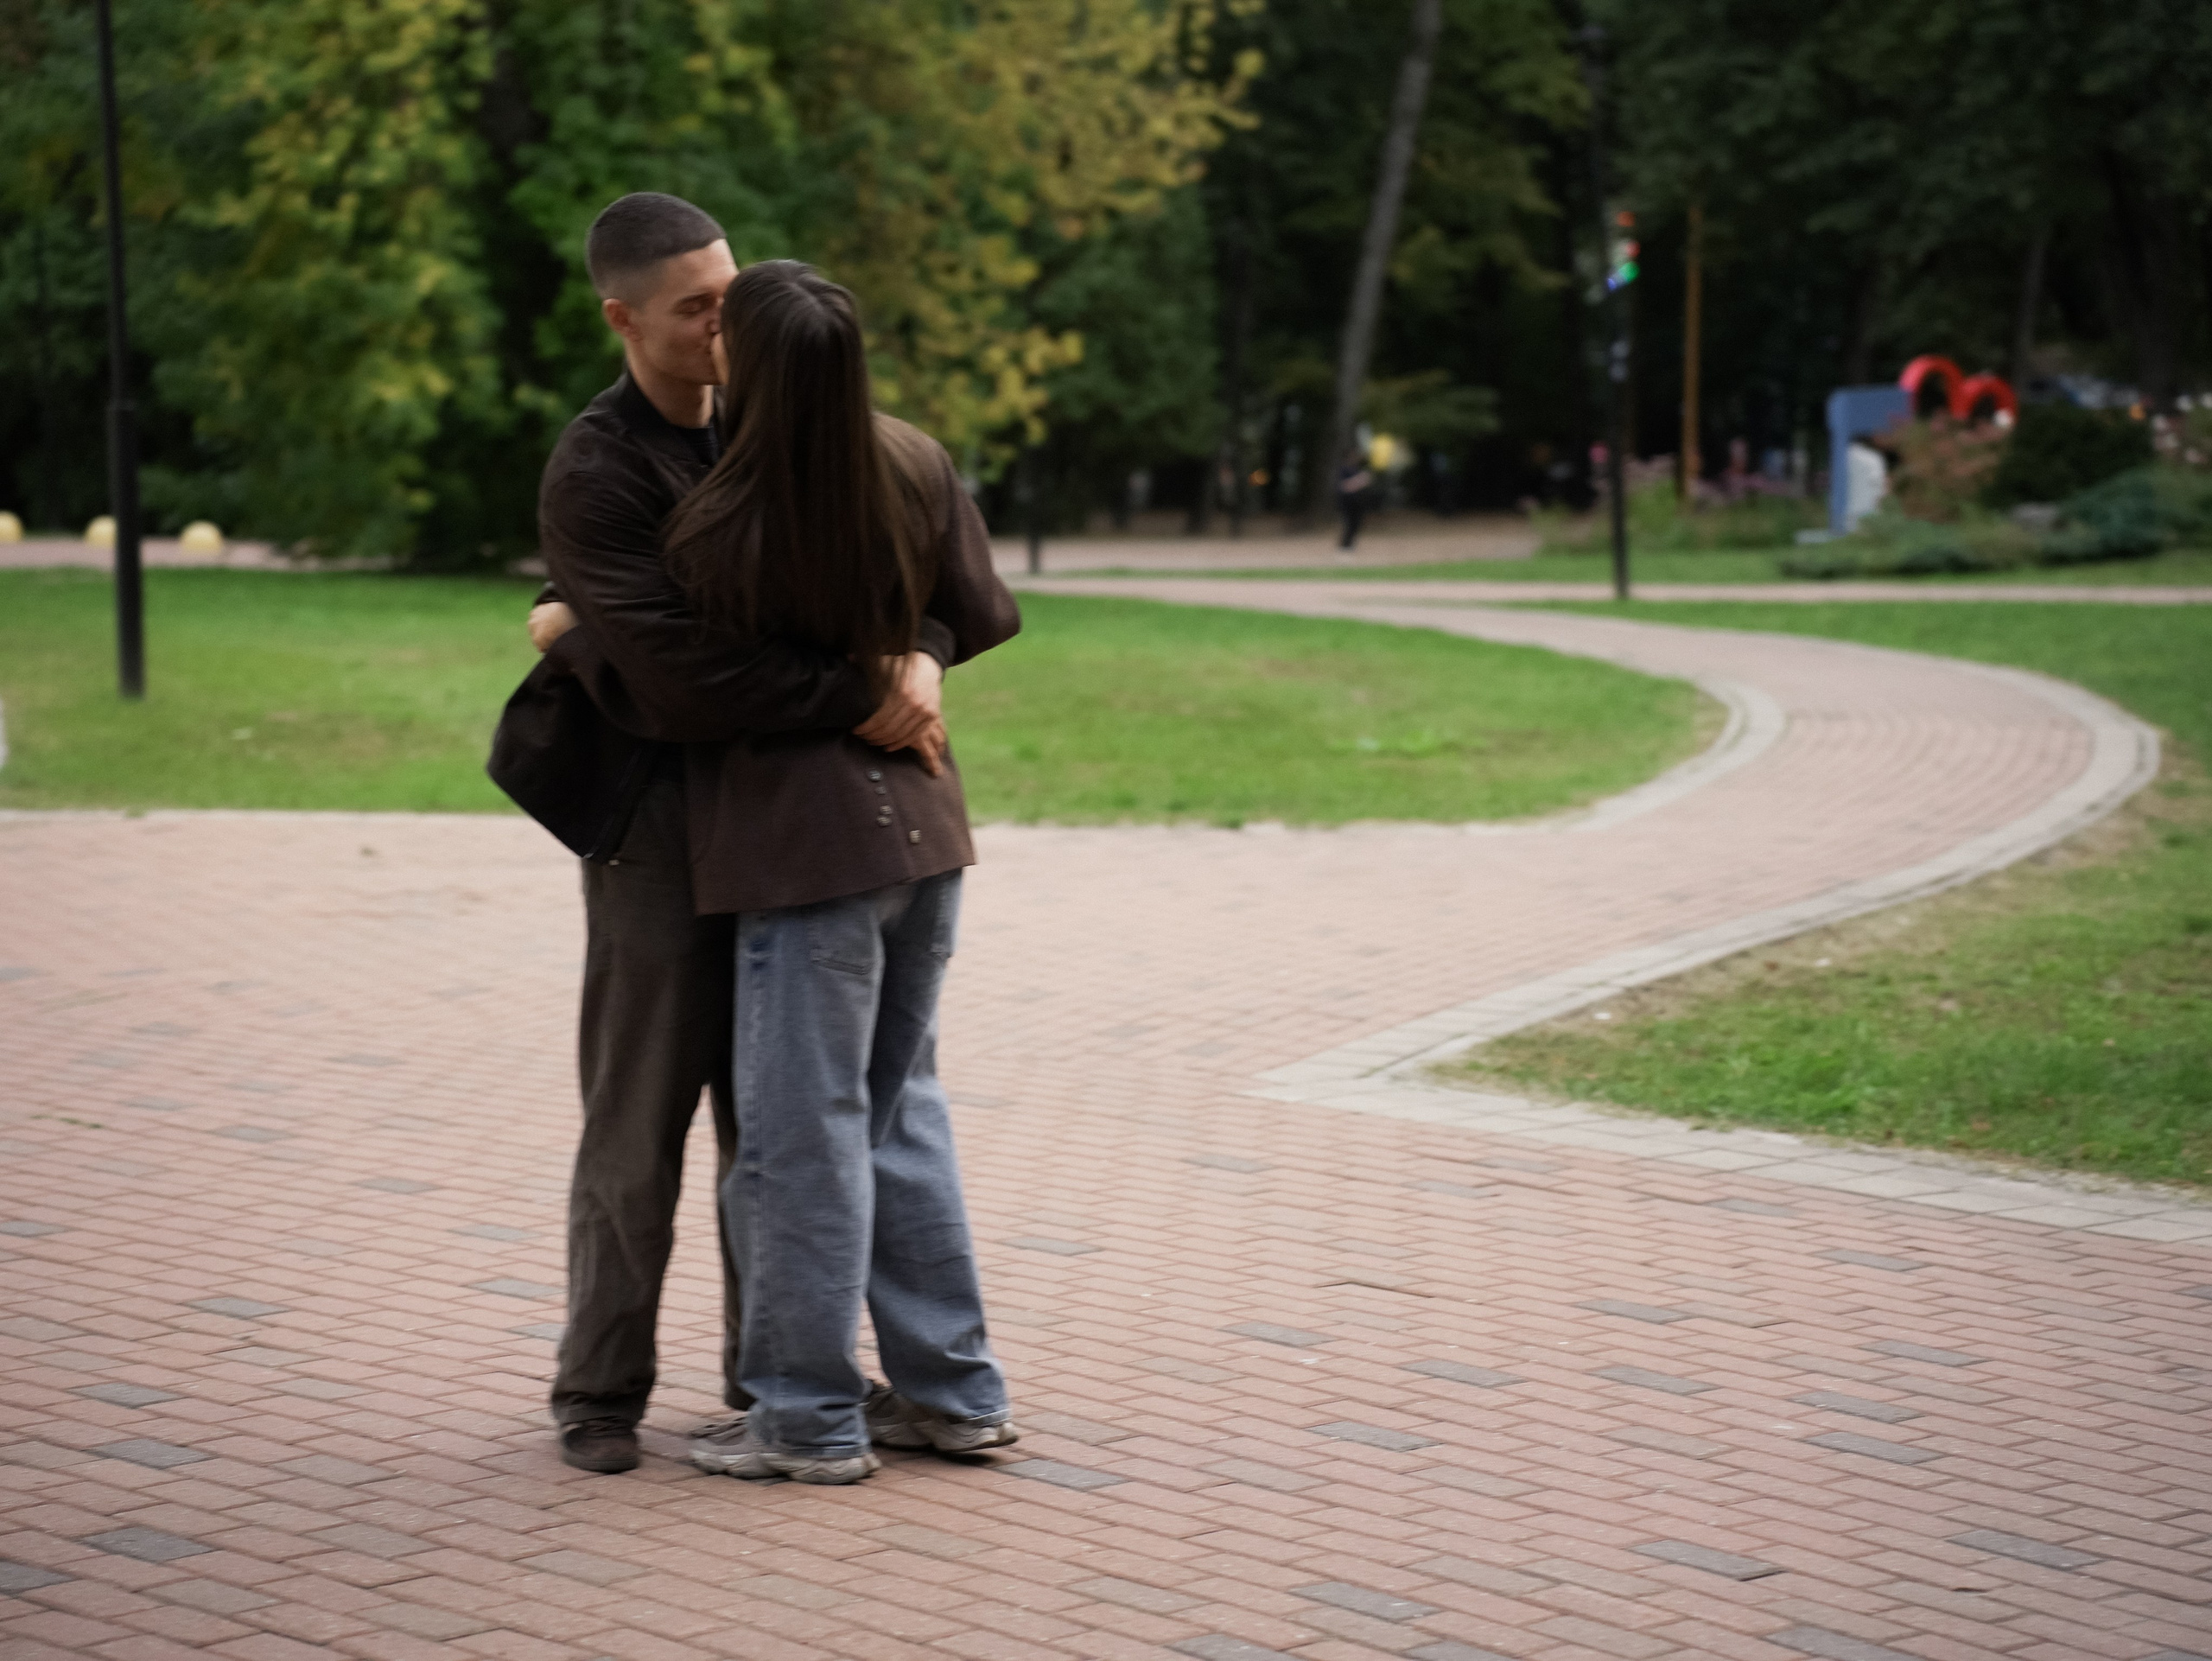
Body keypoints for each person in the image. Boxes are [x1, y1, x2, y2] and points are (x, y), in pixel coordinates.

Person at [519, 258, 1022, 1486]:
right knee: (864, 1119)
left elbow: (698, 671)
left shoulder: (735, 512)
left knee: (800, 1135)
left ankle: (799, 1403)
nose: (712, 325)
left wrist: (574, 633)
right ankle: (939, 1393)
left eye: (728, 308)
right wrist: (894, 668)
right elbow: (974, 603)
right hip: (879, 828)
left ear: (758, 353)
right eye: (695, 305)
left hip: (803, 846)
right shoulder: (901, 458)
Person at [1335, 443, 1376, 550]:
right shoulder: (1343, 469)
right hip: (1346, 502)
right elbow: (1344, 486)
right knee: (1349, 524)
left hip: (1357, 501)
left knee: (1357, 523)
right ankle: (1344, 545)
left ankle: (1350, 545)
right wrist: (1360, 480)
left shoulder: (1356, 469)